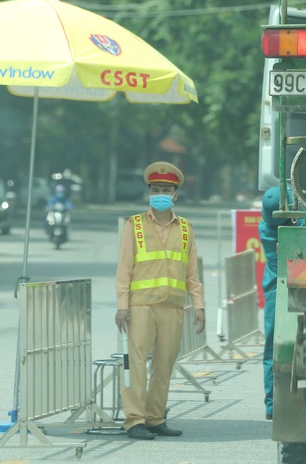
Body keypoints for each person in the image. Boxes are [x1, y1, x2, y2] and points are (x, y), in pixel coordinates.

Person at [115, 161, 206, 440]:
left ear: (175, 194)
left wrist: (199, 304)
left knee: (164, 364)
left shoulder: (187, 228)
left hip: (173, 306)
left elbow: (192, 273)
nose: (160, 194)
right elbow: (124, 268)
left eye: (166, 189)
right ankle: (134, 420)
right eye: (155, 189)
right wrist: (122, 305)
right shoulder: (135, 225)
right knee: (137, 363)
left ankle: (155, 418)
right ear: (149, 193)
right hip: (141, 305)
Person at [259, 144, 306, 421]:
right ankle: (304, 396)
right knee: (303, 345)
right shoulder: (299, 229)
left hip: (276, 294)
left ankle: (271, 405)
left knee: (272, 349)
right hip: (300, 293)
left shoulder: (265, 229)